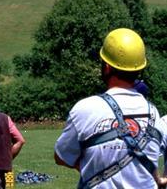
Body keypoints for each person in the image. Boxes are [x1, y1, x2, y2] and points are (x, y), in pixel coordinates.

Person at [55, 28, 167, 188]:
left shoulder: (85, 109)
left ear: (106, 67)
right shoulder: (154, 114)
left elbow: (62, 157)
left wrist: (93, 171)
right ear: (139, 69)